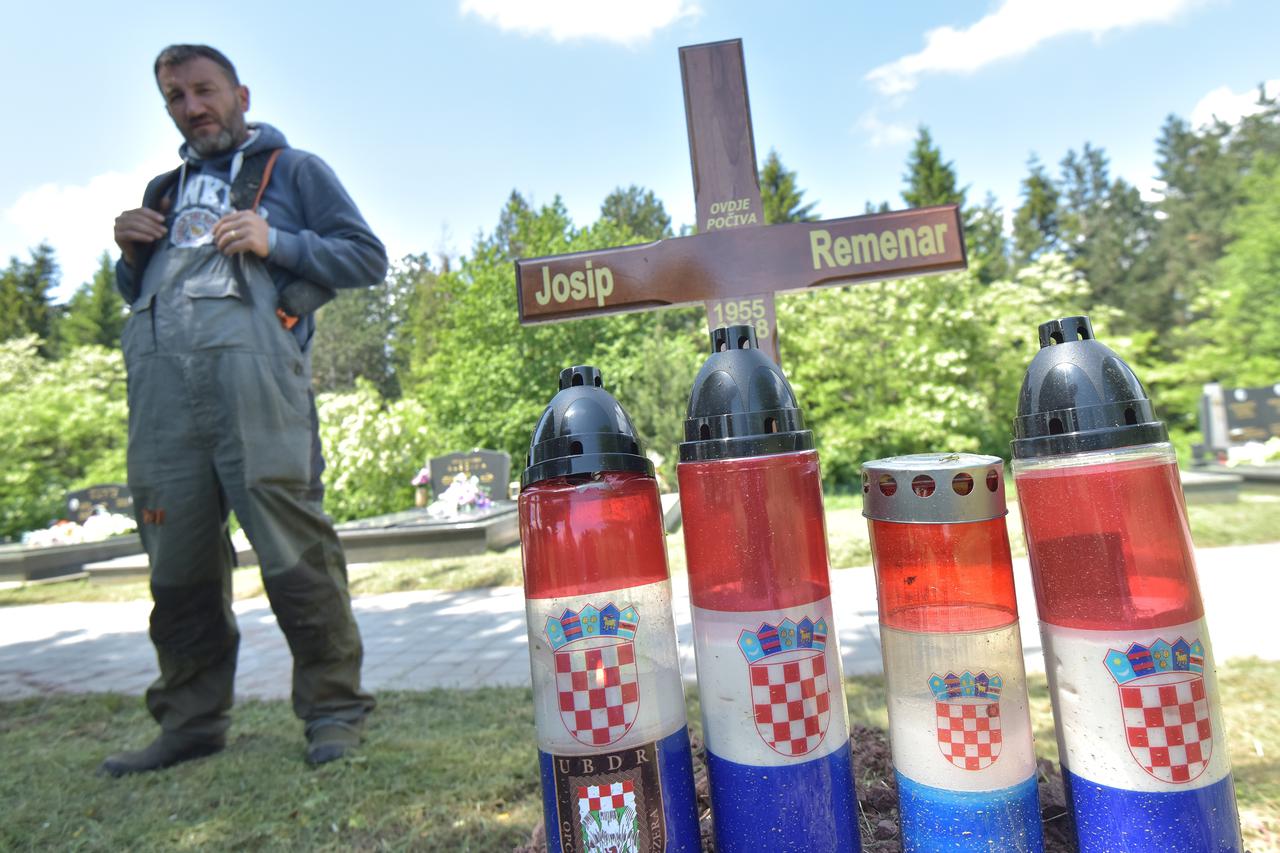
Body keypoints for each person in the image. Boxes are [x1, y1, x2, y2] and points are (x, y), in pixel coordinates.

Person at [101, 44, 385, 777]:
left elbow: (366, 255)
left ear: (240, 94)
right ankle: (192, 722)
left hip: (258, 389)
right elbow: (140, 297)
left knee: (295, 552)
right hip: (163, 399)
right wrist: (127, 256)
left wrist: (277, 238)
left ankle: (334, 710)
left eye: (204, 90)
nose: (191, 107)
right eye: (175, 98)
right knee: (177, 563)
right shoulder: (164, 188)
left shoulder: (291, 171)